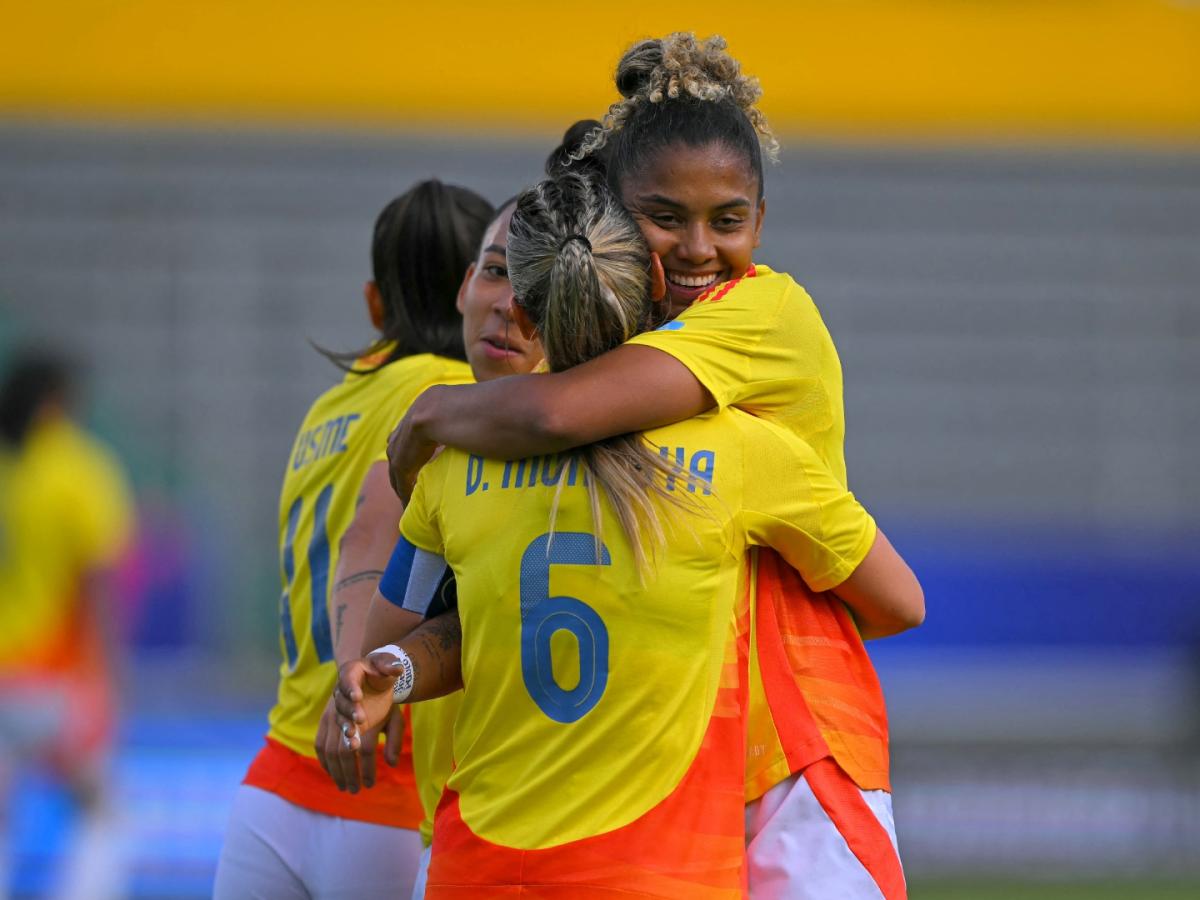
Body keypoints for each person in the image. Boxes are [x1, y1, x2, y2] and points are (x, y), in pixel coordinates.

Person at [384, 33, 923, 899]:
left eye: (728, 219)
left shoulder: (763, 313)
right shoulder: (627, 338)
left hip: (793, 744)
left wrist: (430, 417)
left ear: (761, 219)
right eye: (664, 218)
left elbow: (557, 410)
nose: (699, 248)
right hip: (676, 757)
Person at [213, 180, 492, 897]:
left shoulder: (327, 408)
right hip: (385, 780)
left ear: (374, 305)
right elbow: (371, 537)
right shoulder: (459, 397)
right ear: (477, 291)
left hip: (273, 784)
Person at [316, 192, 544, 900]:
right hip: (434, 818)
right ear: (461, 285)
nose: (508, 305)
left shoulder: (379, 404)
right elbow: (379, 549)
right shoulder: (445, 426)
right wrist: (369, 677)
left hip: (478, 820)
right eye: (495, 272)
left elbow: (363, 542)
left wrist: (363, 674)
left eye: (535, 288)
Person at [0, 349, 135, 900]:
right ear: (56, 403)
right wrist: (108, 676)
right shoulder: (79, 469)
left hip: (5, 673)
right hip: (56, 675)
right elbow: (98, 583)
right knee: (105, 813)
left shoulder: (11, 470)